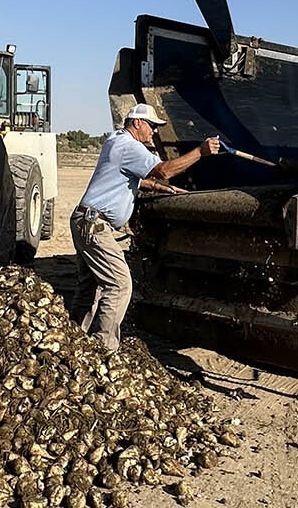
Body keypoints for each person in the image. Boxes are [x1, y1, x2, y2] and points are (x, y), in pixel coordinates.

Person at [71, 104, 220, 348]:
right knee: (119, 285)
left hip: (83, 221)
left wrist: (158, 188)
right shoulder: (130, 146)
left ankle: (73, 338)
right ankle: (104, 349)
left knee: (90, 286)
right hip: (95, 226)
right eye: (151, 126)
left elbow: (125, 177)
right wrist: (200, 152)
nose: (154, 132)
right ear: (137, 123)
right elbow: (163, 170)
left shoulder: (114, 141)